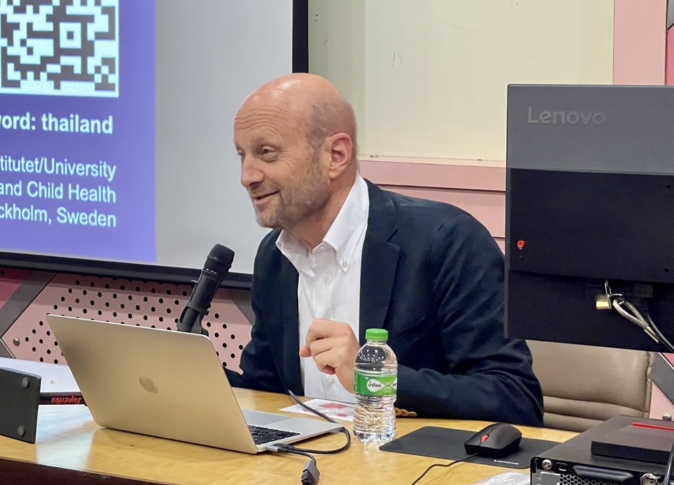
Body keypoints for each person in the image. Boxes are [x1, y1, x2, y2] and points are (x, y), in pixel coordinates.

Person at [227, 73, 543, 425]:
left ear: (336, 155)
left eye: (266, 153)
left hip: (412, 458)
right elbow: (266, 392)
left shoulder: (446, 240)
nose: (247, 176)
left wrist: (375, 377)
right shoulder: (274, 256)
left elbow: (514, 398)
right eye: (242, 155)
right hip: (310, 457)